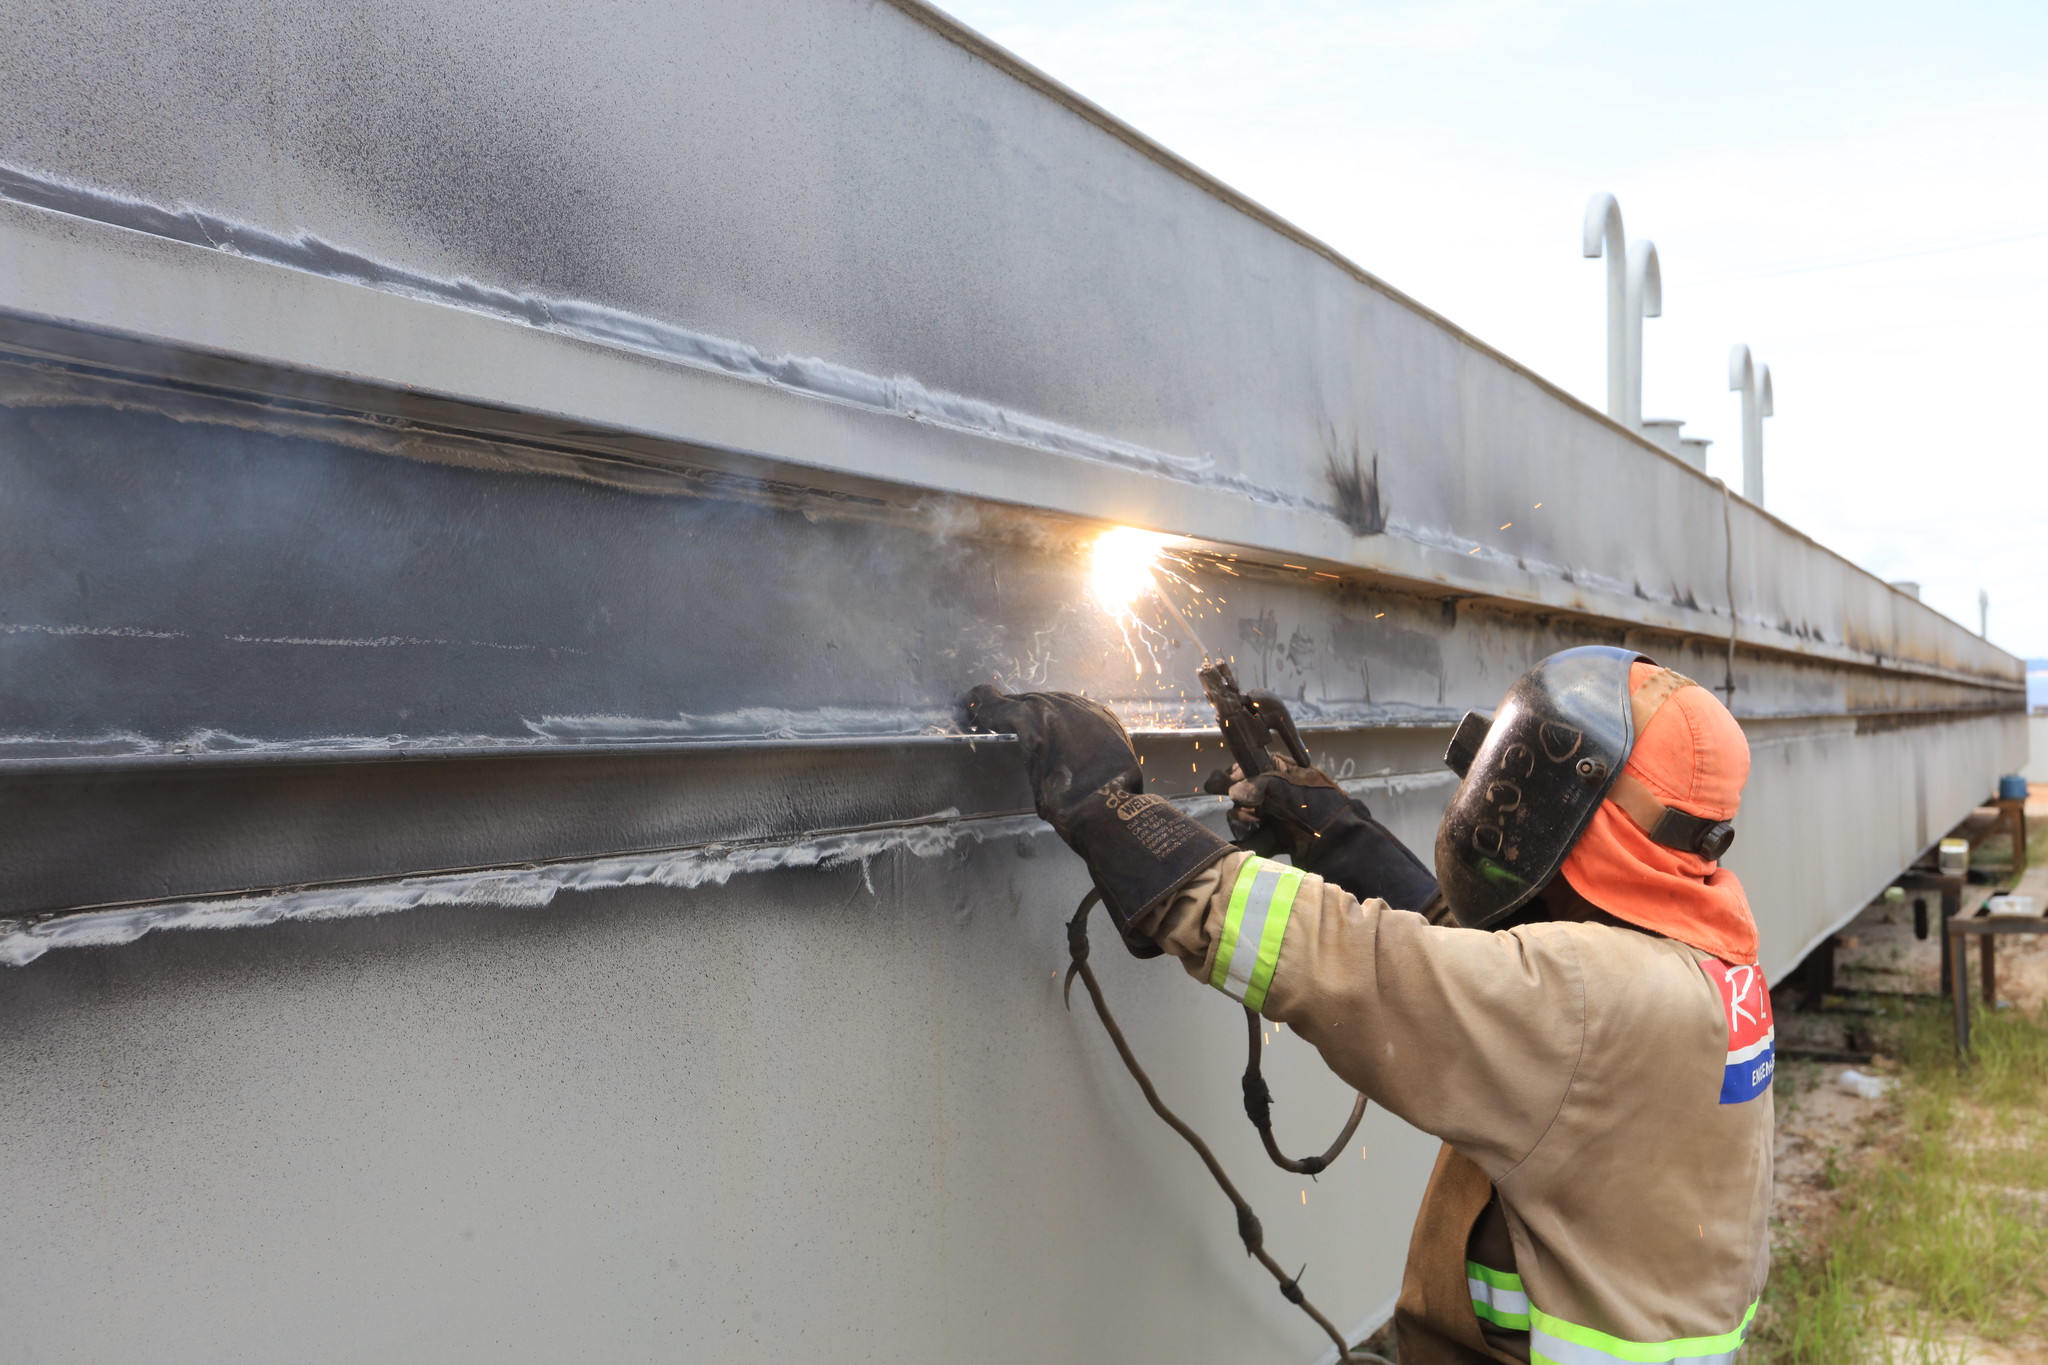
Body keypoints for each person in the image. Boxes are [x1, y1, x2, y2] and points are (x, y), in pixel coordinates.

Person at [966, 646, 1771, 1365]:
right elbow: (1492, 980)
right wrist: (1343, 837)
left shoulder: (1589, 1000)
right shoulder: (1704, 962)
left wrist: (1111, 810)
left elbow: (1354, 964)